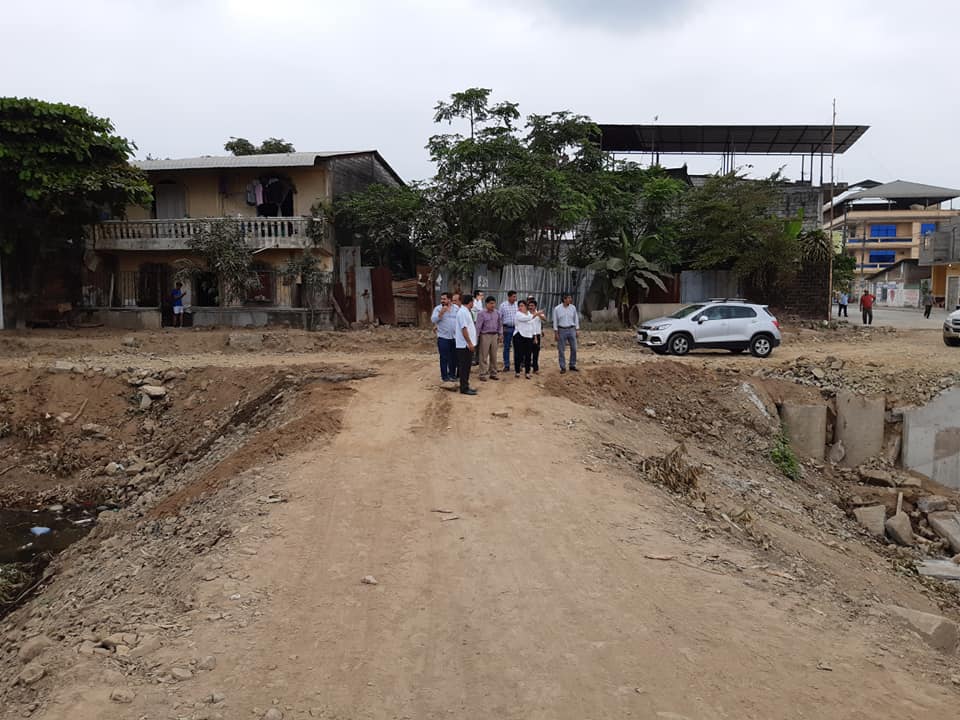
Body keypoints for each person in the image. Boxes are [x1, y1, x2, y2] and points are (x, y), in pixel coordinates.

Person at [431, 292, 458, 383]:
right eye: (441, 299)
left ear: (449, 300)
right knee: (444, 357)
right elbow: (433, 320)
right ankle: (444, 377)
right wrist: (441, 313)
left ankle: (452, 375)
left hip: (454, 337)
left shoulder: (456, 308)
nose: (442, 300)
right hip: (443, 337)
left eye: (444, 299)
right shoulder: (438, 309)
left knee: (453, 357)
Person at [455, 295, 478, 395]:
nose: (473, 304)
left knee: (467, 367)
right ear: (470, 302)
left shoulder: (466, 311)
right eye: (473, 302)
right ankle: (464, 388)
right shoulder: (462, 312)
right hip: (464, 345)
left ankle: (466, 385)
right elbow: (464, 329)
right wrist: (469, 343)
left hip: (467, 344)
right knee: (464, 367)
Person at [475, 295, 502, 381]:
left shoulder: (497, 313)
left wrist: (500, 335)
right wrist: (477, 337)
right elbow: (478, 326)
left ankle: (493, 373)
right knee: (483, 355)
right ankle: (482, 374)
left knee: (494, 355)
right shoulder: (481, 313)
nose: (492, 305)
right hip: (485, 335)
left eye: (494, 303)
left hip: (494, 335)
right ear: (486, 304)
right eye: (491, 303)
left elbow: (499, 324)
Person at [553, 292, 580, 373]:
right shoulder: (557, 309)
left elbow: (576, 319)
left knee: (574, 348)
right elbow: (555, 321)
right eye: (568, 298)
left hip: (571, 329)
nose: (570, 299)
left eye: (570, 298)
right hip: (561, 329)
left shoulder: (573, 308)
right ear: (564, 299)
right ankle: (563, 367)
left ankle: (572, 365)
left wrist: (577, 329)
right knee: (561, 349)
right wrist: (556, 332)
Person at [513, 300, 535, 379]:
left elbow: (532, 325)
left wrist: (534, 336)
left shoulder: (530, 314)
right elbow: (525, 319)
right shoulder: (518, 314)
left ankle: (527, 372)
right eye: (519, 306)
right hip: (519, 335)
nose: (520, 307)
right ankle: (517, 371)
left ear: (526, 306)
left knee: (528, 355)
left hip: (528, 336)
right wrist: (535, 315)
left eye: (522, 306)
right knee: (518, 354)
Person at [499, 291, 519, 372]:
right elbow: (500, 318)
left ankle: (517, 364)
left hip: (516, 328)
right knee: (506, 347)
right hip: (507, 328)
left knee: (517, 347)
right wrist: (501, 330)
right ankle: (506, 365)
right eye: (514, 296)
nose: (515, 298)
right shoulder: (503, 305)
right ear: (509, 297)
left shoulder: (517, 305)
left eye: (515, 296)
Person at [527, 298, 545, 374]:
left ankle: (535, 368)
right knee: (527, 352)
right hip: (528, 334)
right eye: (529, 305)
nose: (530, 307)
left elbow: (544, 319)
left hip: (537, 335)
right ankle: (527, 369)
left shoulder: (539, 313)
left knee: (536, 352)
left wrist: (538, 314)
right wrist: (536, 314)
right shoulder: (527, 313)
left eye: (532, 305)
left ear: (535, 306)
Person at [471, 290, 484, 365]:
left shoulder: (480, 302)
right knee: (474, 340)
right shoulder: (473, 302)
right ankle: (473, 359)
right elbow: (477, 309)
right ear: (477, 295)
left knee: (479, 342)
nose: (482, 296)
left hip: (479, 323)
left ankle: (478, 358)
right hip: (474, 322)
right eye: (481, 295)